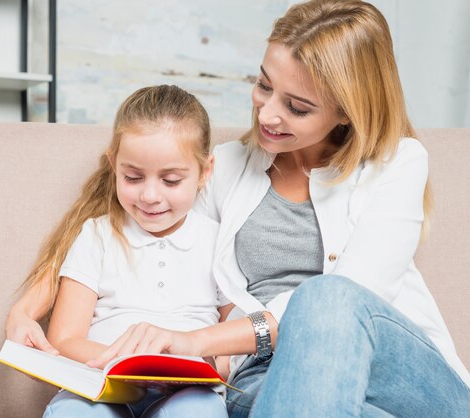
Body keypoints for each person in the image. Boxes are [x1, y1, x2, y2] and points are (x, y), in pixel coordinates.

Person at [82, 1, 470, 417]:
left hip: (397, 374)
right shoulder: (224, 167)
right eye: (264, 85)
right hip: (265, 379)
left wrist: (197, 340)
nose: (266, 113)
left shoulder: (399, 162)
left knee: (326, 298)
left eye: (297, 107)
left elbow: (358, 294)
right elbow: (129, 231)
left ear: (346, 111)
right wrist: (26, 311)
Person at [8, 84, 231, 418]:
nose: (150, 196)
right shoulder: (97, 235)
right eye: (133, 177)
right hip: (100, 385)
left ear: (205, 172)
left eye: (171, 180)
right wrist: (121, 364)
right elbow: (65, 337)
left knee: (196, 413)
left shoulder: (219, 240)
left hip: (189, 391)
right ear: (114, 165)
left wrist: (217, 366)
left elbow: (230, 342)